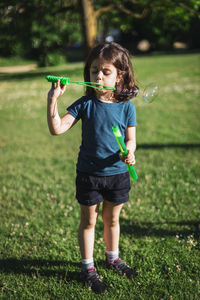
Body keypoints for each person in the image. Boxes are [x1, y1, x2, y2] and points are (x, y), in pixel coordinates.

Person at [47, 42, 138, 294]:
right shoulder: (84, 104)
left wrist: (129, 152)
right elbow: (57, 129)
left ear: (120, 76)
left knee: (112, 219)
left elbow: (131, 140)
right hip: (89, 176)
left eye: (106, 71)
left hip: (117, 175)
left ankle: (113, 258)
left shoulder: (126, 107)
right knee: (89, 222)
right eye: (94, 70)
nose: (98, 75)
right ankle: (88, 268)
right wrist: (53, 100)